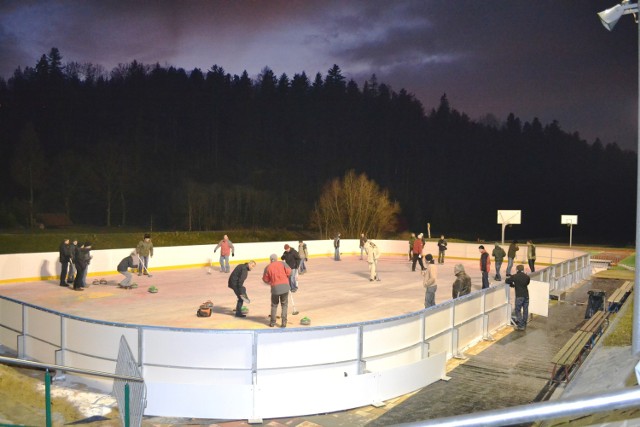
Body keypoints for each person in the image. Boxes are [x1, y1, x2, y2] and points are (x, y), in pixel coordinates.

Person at [263, 254, 292, 328]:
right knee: (284, 305)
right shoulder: (283, 263)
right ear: (276, 259)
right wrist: (286, 276)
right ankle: (284, 323)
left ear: (270, 260)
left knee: (274, 305)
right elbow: (290, 272)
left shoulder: (268, 267)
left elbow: (265, 279)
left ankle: (272, 323)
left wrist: (270, 282)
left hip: (275, 288)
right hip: (285, 287)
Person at [506, 265, 531, 330]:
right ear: (523, 270)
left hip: (519, 296)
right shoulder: (527, 277)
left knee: (517, 310)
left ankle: (521, 325)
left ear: (517, 270)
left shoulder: (515, 276)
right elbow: (527, 283)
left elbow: (507, 281)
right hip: (526, 296)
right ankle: (524, 323)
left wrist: (512, 284)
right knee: (525, 310)